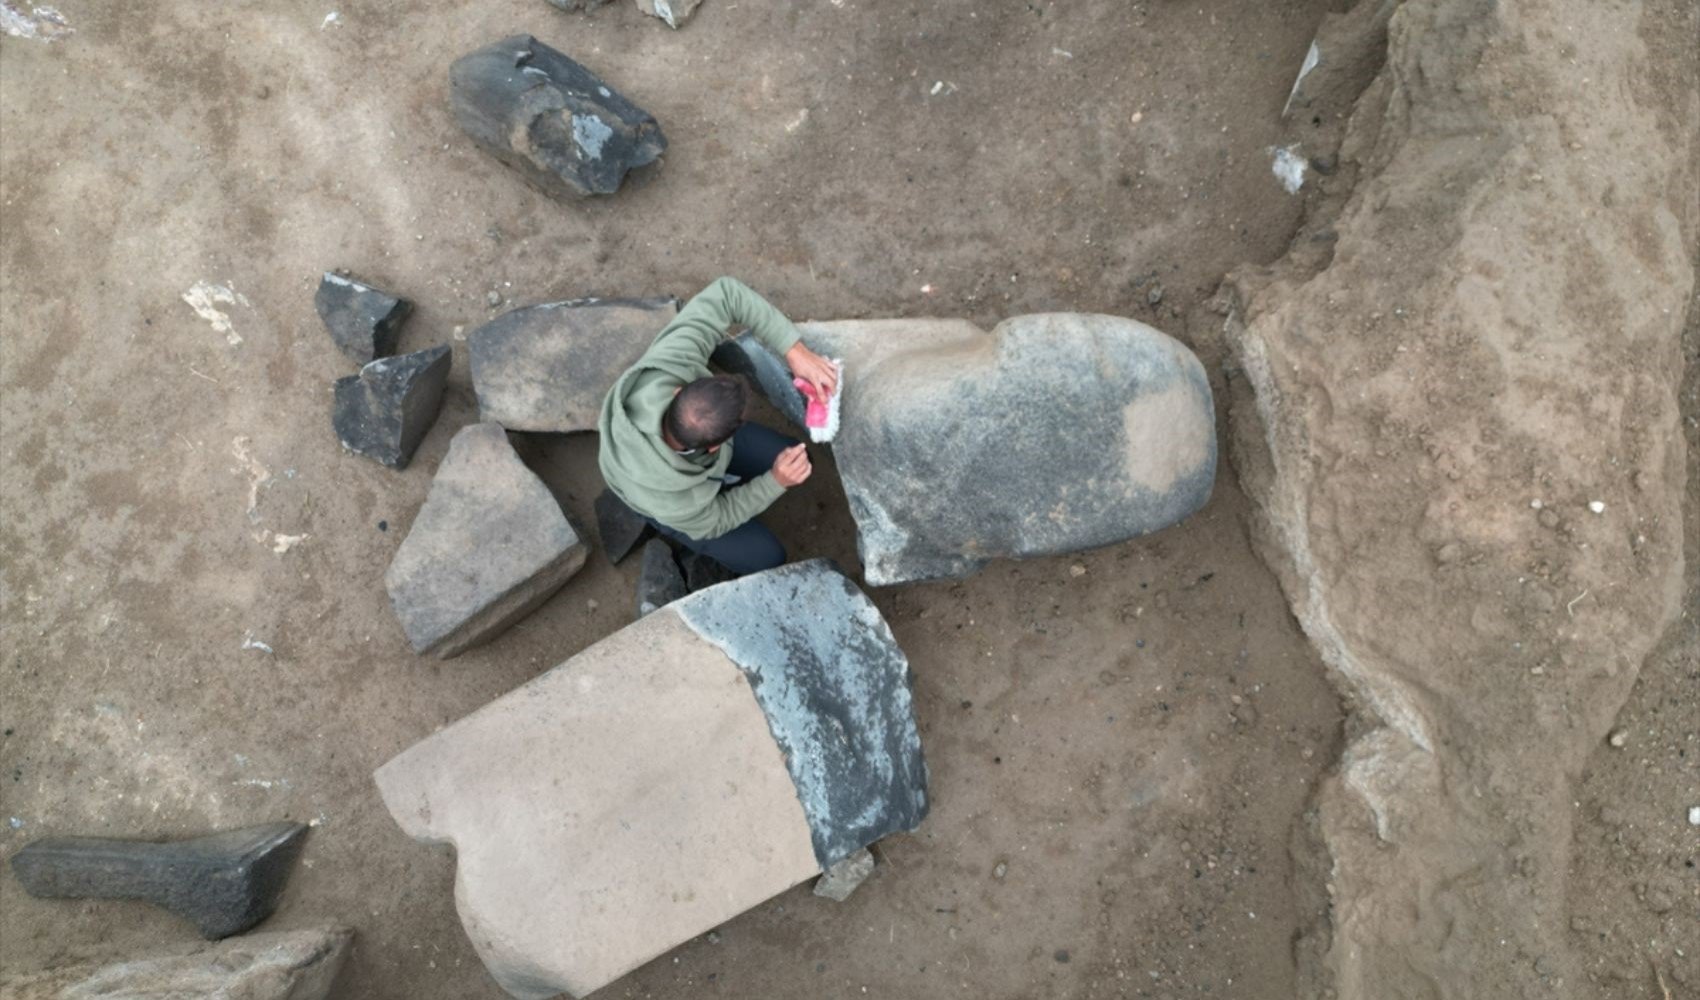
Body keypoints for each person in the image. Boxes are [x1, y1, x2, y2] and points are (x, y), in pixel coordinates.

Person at [597, 276, 839, 576]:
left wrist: (795, 352)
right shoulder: (678, 504)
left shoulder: (669, 366)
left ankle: (726, 478)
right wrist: (774, 482)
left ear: (678, 391)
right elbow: (718, 520)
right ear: (716, 446)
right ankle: (683, 540)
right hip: (666, 500)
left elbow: (727, 293)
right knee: (767, 556)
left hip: (689, 460)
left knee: (797, 456)